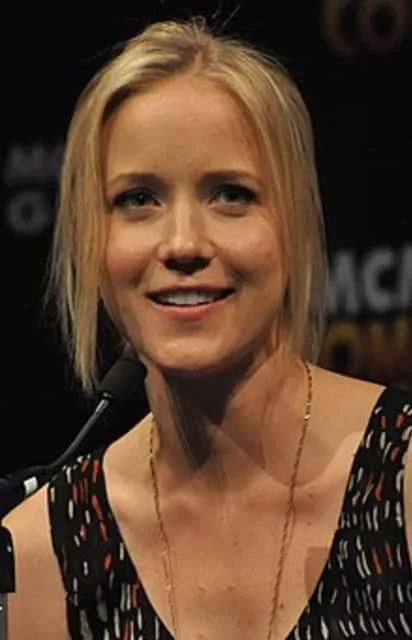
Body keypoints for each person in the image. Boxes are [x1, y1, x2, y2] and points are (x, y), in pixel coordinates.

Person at [3, 16, 412, 640]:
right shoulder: (38, 558)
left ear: (294, 225)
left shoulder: (403, 480)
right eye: (137, 199)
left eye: (230, 195)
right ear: (91, 242)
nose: (183, 243)